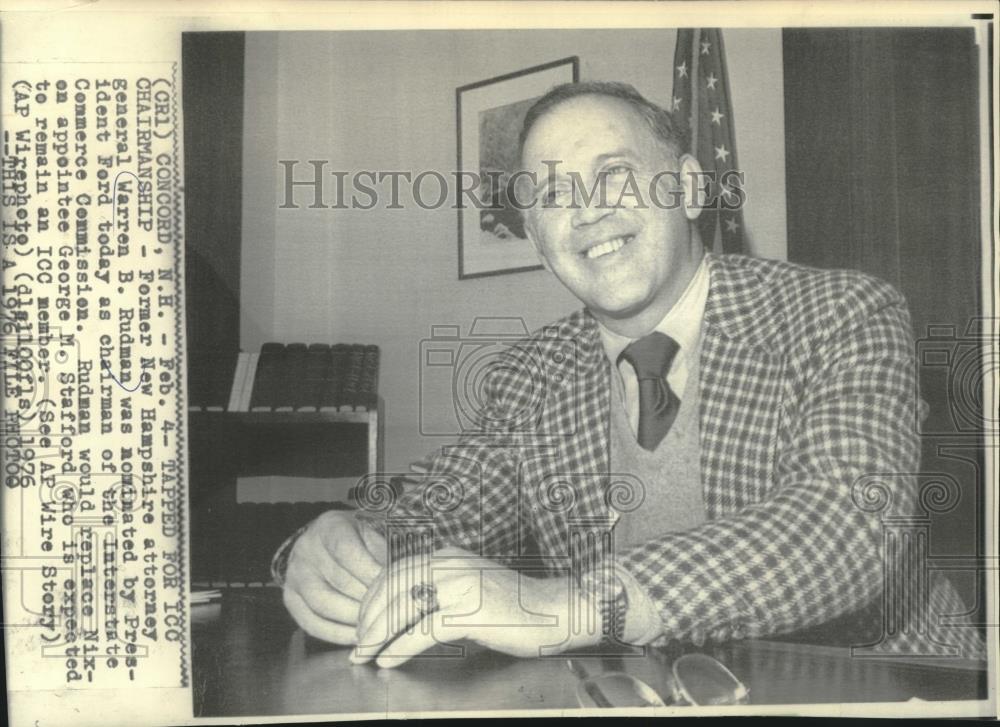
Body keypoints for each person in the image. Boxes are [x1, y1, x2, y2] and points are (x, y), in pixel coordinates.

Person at [272, 81, 981, 668]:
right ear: (540, 241)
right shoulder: (529, 376)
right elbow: (446, 509)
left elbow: (845, 523)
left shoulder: (841, 312)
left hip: (891, 679)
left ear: (689, 189)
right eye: (550, 195)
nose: (586, 211)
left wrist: (570, 606)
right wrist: (341, 542)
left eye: (614, 174)